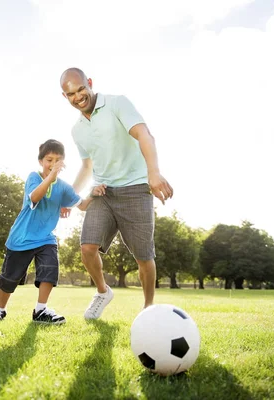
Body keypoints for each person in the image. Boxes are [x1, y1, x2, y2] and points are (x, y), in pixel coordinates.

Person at [59, 68, 173, 320]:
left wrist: (153, 173)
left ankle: (148, 308)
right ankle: (102, 291)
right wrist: (70, 196)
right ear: (64, 96)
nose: (78, 97)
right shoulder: (77, 130)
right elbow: (87, 166)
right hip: (104, 192)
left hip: (136, 189)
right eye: (71, 94)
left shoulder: (117, 103)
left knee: (144, 257)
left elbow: (144, 134)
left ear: (89, 83)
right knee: (87, 247)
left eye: (81, 89)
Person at [0, 139, 97, 324]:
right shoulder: (33, 177)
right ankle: (0, 310)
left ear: (63, 163)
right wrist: (50, 178)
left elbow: (83, 205)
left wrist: (95, 192)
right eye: (49, 159)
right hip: (21, 238)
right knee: (9, 279)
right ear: (41, 161)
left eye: (58, 160)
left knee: (49, 270)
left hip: (46, 238)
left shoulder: (63, 187)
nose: (53, 164)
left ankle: (40, 310)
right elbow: (35, 197)